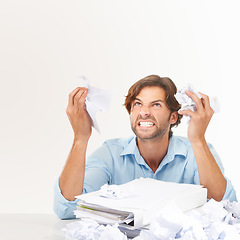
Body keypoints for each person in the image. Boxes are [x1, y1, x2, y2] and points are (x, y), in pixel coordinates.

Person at [54, 75, 237, 219]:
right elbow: (67, 208)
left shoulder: (198, 152)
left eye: (156, 104)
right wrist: (80, 138)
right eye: (138, 104)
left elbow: (224, 207)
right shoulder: (110, 154)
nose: (144, 112)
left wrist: (198, 139)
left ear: (173, 117)